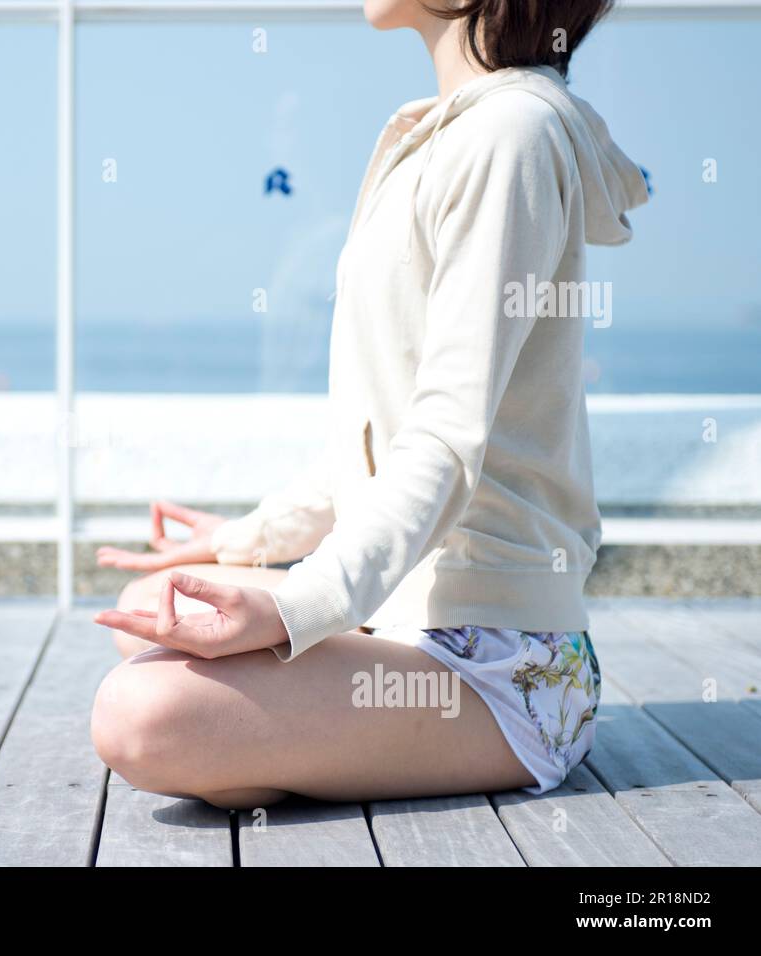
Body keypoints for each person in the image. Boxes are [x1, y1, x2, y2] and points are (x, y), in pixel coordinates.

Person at [91, 0, 645, 810]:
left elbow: (445, 440)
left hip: (502, 664)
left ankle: (292, 752)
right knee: (152, 608)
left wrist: (294, 603)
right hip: (403, 621)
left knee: (140, 715)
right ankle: (300, 749)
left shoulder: (511, 136)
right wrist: (250, 540)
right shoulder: (441, 133)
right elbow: (383, 433)